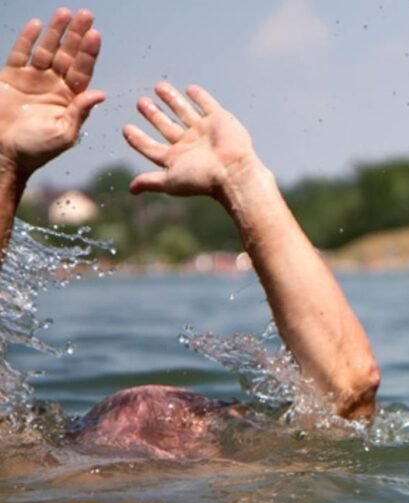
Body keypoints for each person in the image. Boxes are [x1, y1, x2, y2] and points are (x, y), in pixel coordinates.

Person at [0, 9, 379, 458]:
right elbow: (349, 394)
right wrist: (243, 181)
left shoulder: (35, 470)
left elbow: (352, 394)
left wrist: (6, 165)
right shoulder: (254, 479)